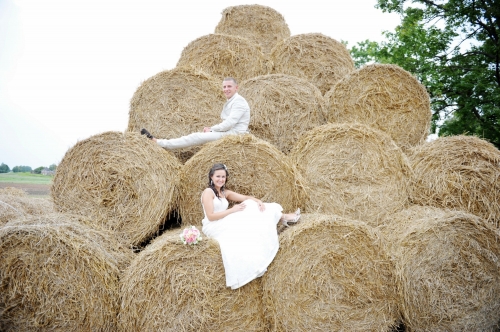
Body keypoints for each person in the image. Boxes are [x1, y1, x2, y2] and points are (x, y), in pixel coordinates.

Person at [201, 163, 300, 290]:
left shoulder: (224, 192)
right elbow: (210, 216)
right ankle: (283, 218)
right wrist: (233, 210)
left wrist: (258, 201)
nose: (221, 179)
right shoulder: (208, 192)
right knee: (242, 212)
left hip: (223, 220)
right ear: (211, 177)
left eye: (223, 177)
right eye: (218, 176)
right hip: (213, 225)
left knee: (249, 205)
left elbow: (245, 198)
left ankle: (282, 217)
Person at [140, 77, 250, 149]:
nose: (226, 89)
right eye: (224, 87)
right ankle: (162, 142)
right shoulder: (232, 100)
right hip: (230, 133)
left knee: (195, 137)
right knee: (197, 137)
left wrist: (212, 129)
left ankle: (160, 143)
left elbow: (230, 123)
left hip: (235, 134)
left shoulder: (239, 101)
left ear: (236, 88)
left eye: (229, 86)